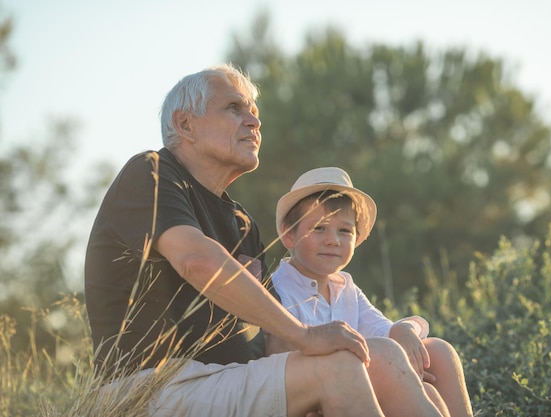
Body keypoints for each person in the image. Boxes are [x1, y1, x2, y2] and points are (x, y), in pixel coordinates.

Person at [84, 63, 445, 417]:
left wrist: (308, 380)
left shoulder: (241, 223)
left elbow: (272, 340)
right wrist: (308, 339)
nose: (254, 122)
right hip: (156, 386)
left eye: (254, 113)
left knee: (381, 356)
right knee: (338, 370)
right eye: (233, 108)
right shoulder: (151, 173)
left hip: (230, 381)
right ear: (184, 124)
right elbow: (198, 261)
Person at [266, 167, 474, 417]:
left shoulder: (345, 288)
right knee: (426, 393)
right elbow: (283, 359)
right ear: (289, 236)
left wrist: (405, 328)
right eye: (319, 228)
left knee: (438, 351)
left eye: (345, 231)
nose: (333, 240)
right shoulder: (279, 289)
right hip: (314, 395)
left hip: (359, 381)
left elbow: (384, 333)